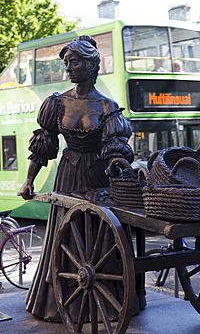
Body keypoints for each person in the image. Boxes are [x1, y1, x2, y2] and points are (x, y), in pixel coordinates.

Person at [18, 35, 134, 322]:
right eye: (67, 63)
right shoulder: (57, 103)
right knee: (66, 237)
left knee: (100, 238)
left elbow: (115, 148)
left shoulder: (108, 106)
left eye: (76, 62)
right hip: (68, 176)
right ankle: (60, 302)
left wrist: (117, 164)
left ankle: (105, 303)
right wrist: (29, 180)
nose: (69, 68)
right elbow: (44, 146)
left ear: (92, 66)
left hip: (98, 178)